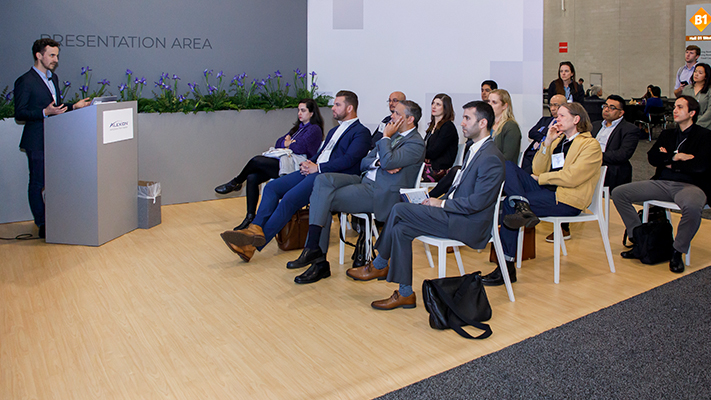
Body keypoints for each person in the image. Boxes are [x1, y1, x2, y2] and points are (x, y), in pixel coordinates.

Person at [346, 101, 505, 310]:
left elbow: (478, 203)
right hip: (455, 214)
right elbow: (459, 188)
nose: (462, 123)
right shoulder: (475, 149)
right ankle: (405, 294)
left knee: (399, 208)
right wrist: (434, 200)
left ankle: (379, 264)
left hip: (469, 223)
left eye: (467, 118)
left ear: (483, 123)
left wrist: (441, 203)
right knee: (402, 229)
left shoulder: (491, 157)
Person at [284, 100, 426, 284]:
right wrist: (378, 162)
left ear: (410, 119)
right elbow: (364, 161)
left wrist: (385, 139)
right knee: (322, 181)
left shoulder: (415, 143)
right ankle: (314, 252)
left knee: (322, 199)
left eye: (397, 114)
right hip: (363, 181)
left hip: (379, 193)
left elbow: (389, 162)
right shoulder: (395, 137)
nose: (392, 116)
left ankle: (317, 260)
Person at [219, 90, 371, 262]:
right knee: (271, 187)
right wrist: (309, 163)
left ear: (350, 108)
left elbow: (350, 160)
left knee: (290, 199)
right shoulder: (333, 131)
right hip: (315, 170)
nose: (333, 108)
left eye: (337, 105)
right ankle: (255, 229)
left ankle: (251, 246)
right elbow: (322, 153)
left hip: (330, 176)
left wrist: (318, 167)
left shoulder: (361, 132)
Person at [483, 103, 602, 286]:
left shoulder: (590, 145)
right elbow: (537, 167)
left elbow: (572, 178)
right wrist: (547, 141)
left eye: (561, 116)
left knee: (509, 204)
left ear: (576, 119)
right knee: (506, 165)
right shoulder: (557, 140)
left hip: (566, 199)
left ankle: (506, 268)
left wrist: (540, 179)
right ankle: (521, 203)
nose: (556, 119)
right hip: (546, 191)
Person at [612, 95, 711, 274]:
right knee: (620, 193)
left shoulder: (704, 136)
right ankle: (639, 240)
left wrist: (669, 161)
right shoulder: (668, 134)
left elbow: (700, 166)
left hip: (691, 186)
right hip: (662, 182)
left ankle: (677, 251)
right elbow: (652, 158)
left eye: (680, 107)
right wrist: (676, 157)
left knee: (692, 207)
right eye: (675, 107)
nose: (675, 110)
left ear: (692, 113)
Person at [13, 38, 90, 239]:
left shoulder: (53, 78)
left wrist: (74, 106)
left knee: (54, 181)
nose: (56, 59)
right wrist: (44, 112)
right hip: (36, 141)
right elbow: (20, 113)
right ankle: (42, 223)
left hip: (55, 140)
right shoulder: (25, 81)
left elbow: (56, 106)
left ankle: (57, 219)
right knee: (37, 183)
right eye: (52, 55)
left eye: (57, 55)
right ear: (39, 55)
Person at [214, 99, 324, 229]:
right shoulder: (297, 128)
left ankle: (236, 182)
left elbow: (299, 148)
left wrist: (288, 142)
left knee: (256, 160)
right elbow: (278, 142)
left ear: (312, 113)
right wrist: (289, 142)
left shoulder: (314, 129)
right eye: (298, 110)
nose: (299, 113)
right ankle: (250, 217)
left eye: (303, 110)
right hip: (286, 162)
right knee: (252, 177)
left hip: (298, 166)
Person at [546, 95, 640, 243]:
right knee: (564, 171)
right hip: (585, 164)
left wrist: (592, 156)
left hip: (611, 169)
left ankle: (563, 216)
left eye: (612, 107)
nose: (607, 109)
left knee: (573, 177)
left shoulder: (630, 129)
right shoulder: (595, 125)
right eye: (605, 106)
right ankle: (562, 222)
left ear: (621, 113)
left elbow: (623, 154)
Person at [521, 94, 567, 174]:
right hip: (531, 153)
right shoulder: (545, 120)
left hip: (547, 156)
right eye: (551, 105)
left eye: (556, 105)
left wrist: (542, 132)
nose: (552, 109)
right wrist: (546, 134)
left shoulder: (564, 125)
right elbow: (531, 133)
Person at [422, 93, 458, 182]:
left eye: (438, 104)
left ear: (445, 108)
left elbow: (434, 151)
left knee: (408, 173)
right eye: (433, 103)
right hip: (428, 166)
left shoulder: (448, 127)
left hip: (439, 169)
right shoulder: (432, 126)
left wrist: (422, 155)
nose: (433, 107)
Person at [489, 89, 522, 163]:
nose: (490, 105)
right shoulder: (488, 125)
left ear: (504, 106)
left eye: (494, 102)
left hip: (502, 170)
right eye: (489, 101)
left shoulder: (511, 127)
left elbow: (507, 158)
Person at [681, 63, 711, 129]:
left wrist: (697, 123)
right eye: (695, 71)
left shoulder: (709, 90)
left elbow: (710, 110)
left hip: (704, 124)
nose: (696, 74)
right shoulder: (687, 89)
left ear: (706, 76)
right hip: (687, 123)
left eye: (700, 73)